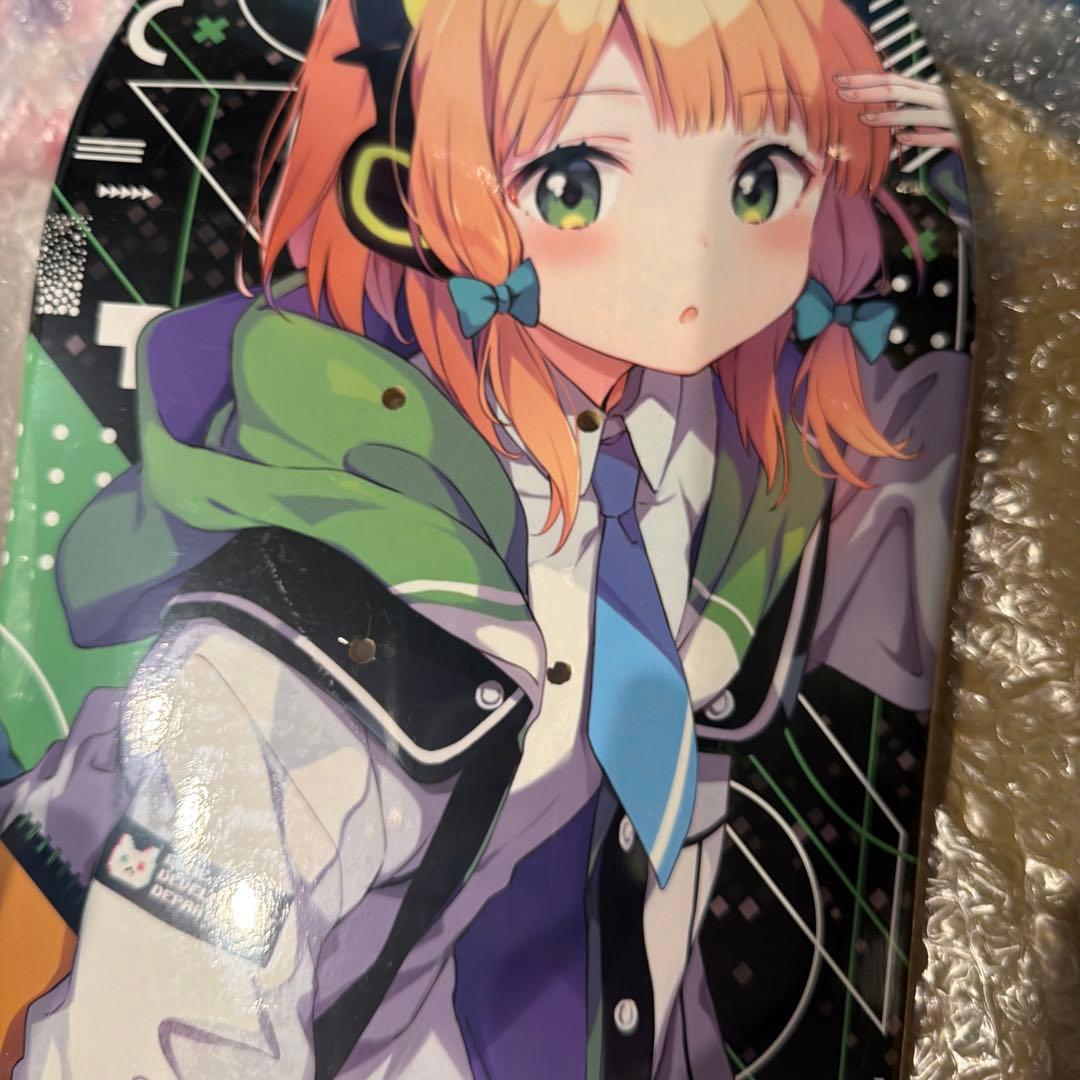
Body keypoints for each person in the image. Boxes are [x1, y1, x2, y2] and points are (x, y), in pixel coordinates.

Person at [0, 0, 970, 1076]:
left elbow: (920, 561)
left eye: (760, 183)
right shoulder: (312, 601)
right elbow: (164, 1025)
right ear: (395, 190)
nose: (695, 251)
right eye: (574, 183)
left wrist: (940, 184)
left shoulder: (732, 463)